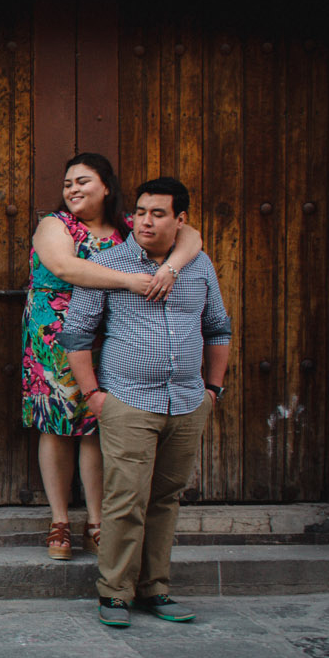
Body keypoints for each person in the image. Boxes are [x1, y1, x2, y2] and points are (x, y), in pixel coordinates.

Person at [60, 177, 232, 627]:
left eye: (158, 213)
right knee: (125, 499)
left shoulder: (198, 266)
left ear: (180, 220)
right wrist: (96, 396)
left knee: (165, 499)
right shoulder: (110, 264)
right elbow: (76, 334)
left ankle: (154, 589)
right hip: (129, 401)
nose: (145, 221)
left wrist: (212, 390)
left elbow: (217, 328)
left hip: (187, 402)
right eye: (139, 212)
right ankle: (114, 593)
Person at [22, 154, 201, 560]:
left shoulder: (128, 225)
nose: (73, 190)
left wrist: (169, 270)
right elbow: (64, 266)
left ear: (106, 186)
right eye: (68, 183)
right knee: (57, 423)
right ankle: (61, 520)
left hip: (114, 333)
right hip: (55, 336)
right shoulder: (55, 225)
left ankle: (98, 522)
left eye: (83, 181)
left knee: (99, 423)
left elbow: (190, 237)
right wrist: (133, 281)